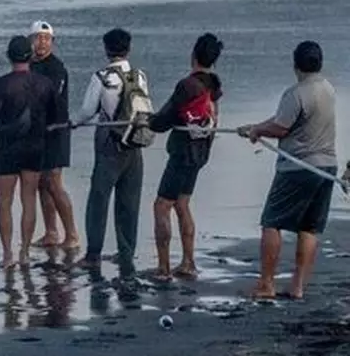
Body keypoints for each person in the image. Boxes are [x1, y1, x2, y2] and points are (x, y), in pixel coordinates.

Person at [238, 41, 342, 301]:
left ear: (296, 65)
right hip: (326, 165)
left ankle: (267, 285)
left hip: (298, 167)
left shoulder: (296, 93)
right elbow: (281, 124)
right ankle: (297, 287)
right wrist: (256, 127)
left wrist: (257, 130)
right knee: (309, 227)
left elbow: (281, 128)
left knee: (271, 222)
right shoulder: (328, 88)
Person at [144, 32, 224, 282]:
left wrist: (147, 120)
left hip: (182, 153)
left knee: (162, 205)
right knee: (182, 203)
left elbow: (164, 120)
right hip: (201, 152)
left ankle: (163, 268)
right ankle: (188, 262)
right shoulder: (214, 85)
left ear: (193, 55)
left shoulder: (188, 85)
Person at [73, 28, 150, 278]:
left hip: (108, 144)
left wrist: (73, 122)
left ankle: (93, 254)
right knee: (129, 202)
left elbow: (87, 111)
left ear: (107, 50)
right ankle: (126, 251)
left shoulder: (102, 77)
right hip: (134, 142)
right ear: (128, 49)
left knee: (99, 200)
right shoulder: (140, 77)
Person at [0, 36, 58, 268]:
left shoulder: (2, 84)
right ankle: (24, 252)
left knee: (3, 202)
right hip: (34, 146)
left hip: (8, 147)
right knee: (29, 200)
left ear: (8, 56)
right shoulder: (44, 83)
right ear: (31, 55)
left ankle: (7, 255)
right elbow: (55, 116)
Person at [28, 21, 79, 250]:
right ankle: (51, 232)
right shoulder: (28, 65)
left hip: (55, 131)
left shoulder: (56, 68)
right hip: (36, 133)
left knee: (54, 182)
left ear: (53, 42)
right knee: (41, 183)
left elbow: (52, 100)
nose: (42, 42)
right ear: (31, 40)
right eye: (38, 38)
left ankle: (72, 234)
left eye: (47, 38)